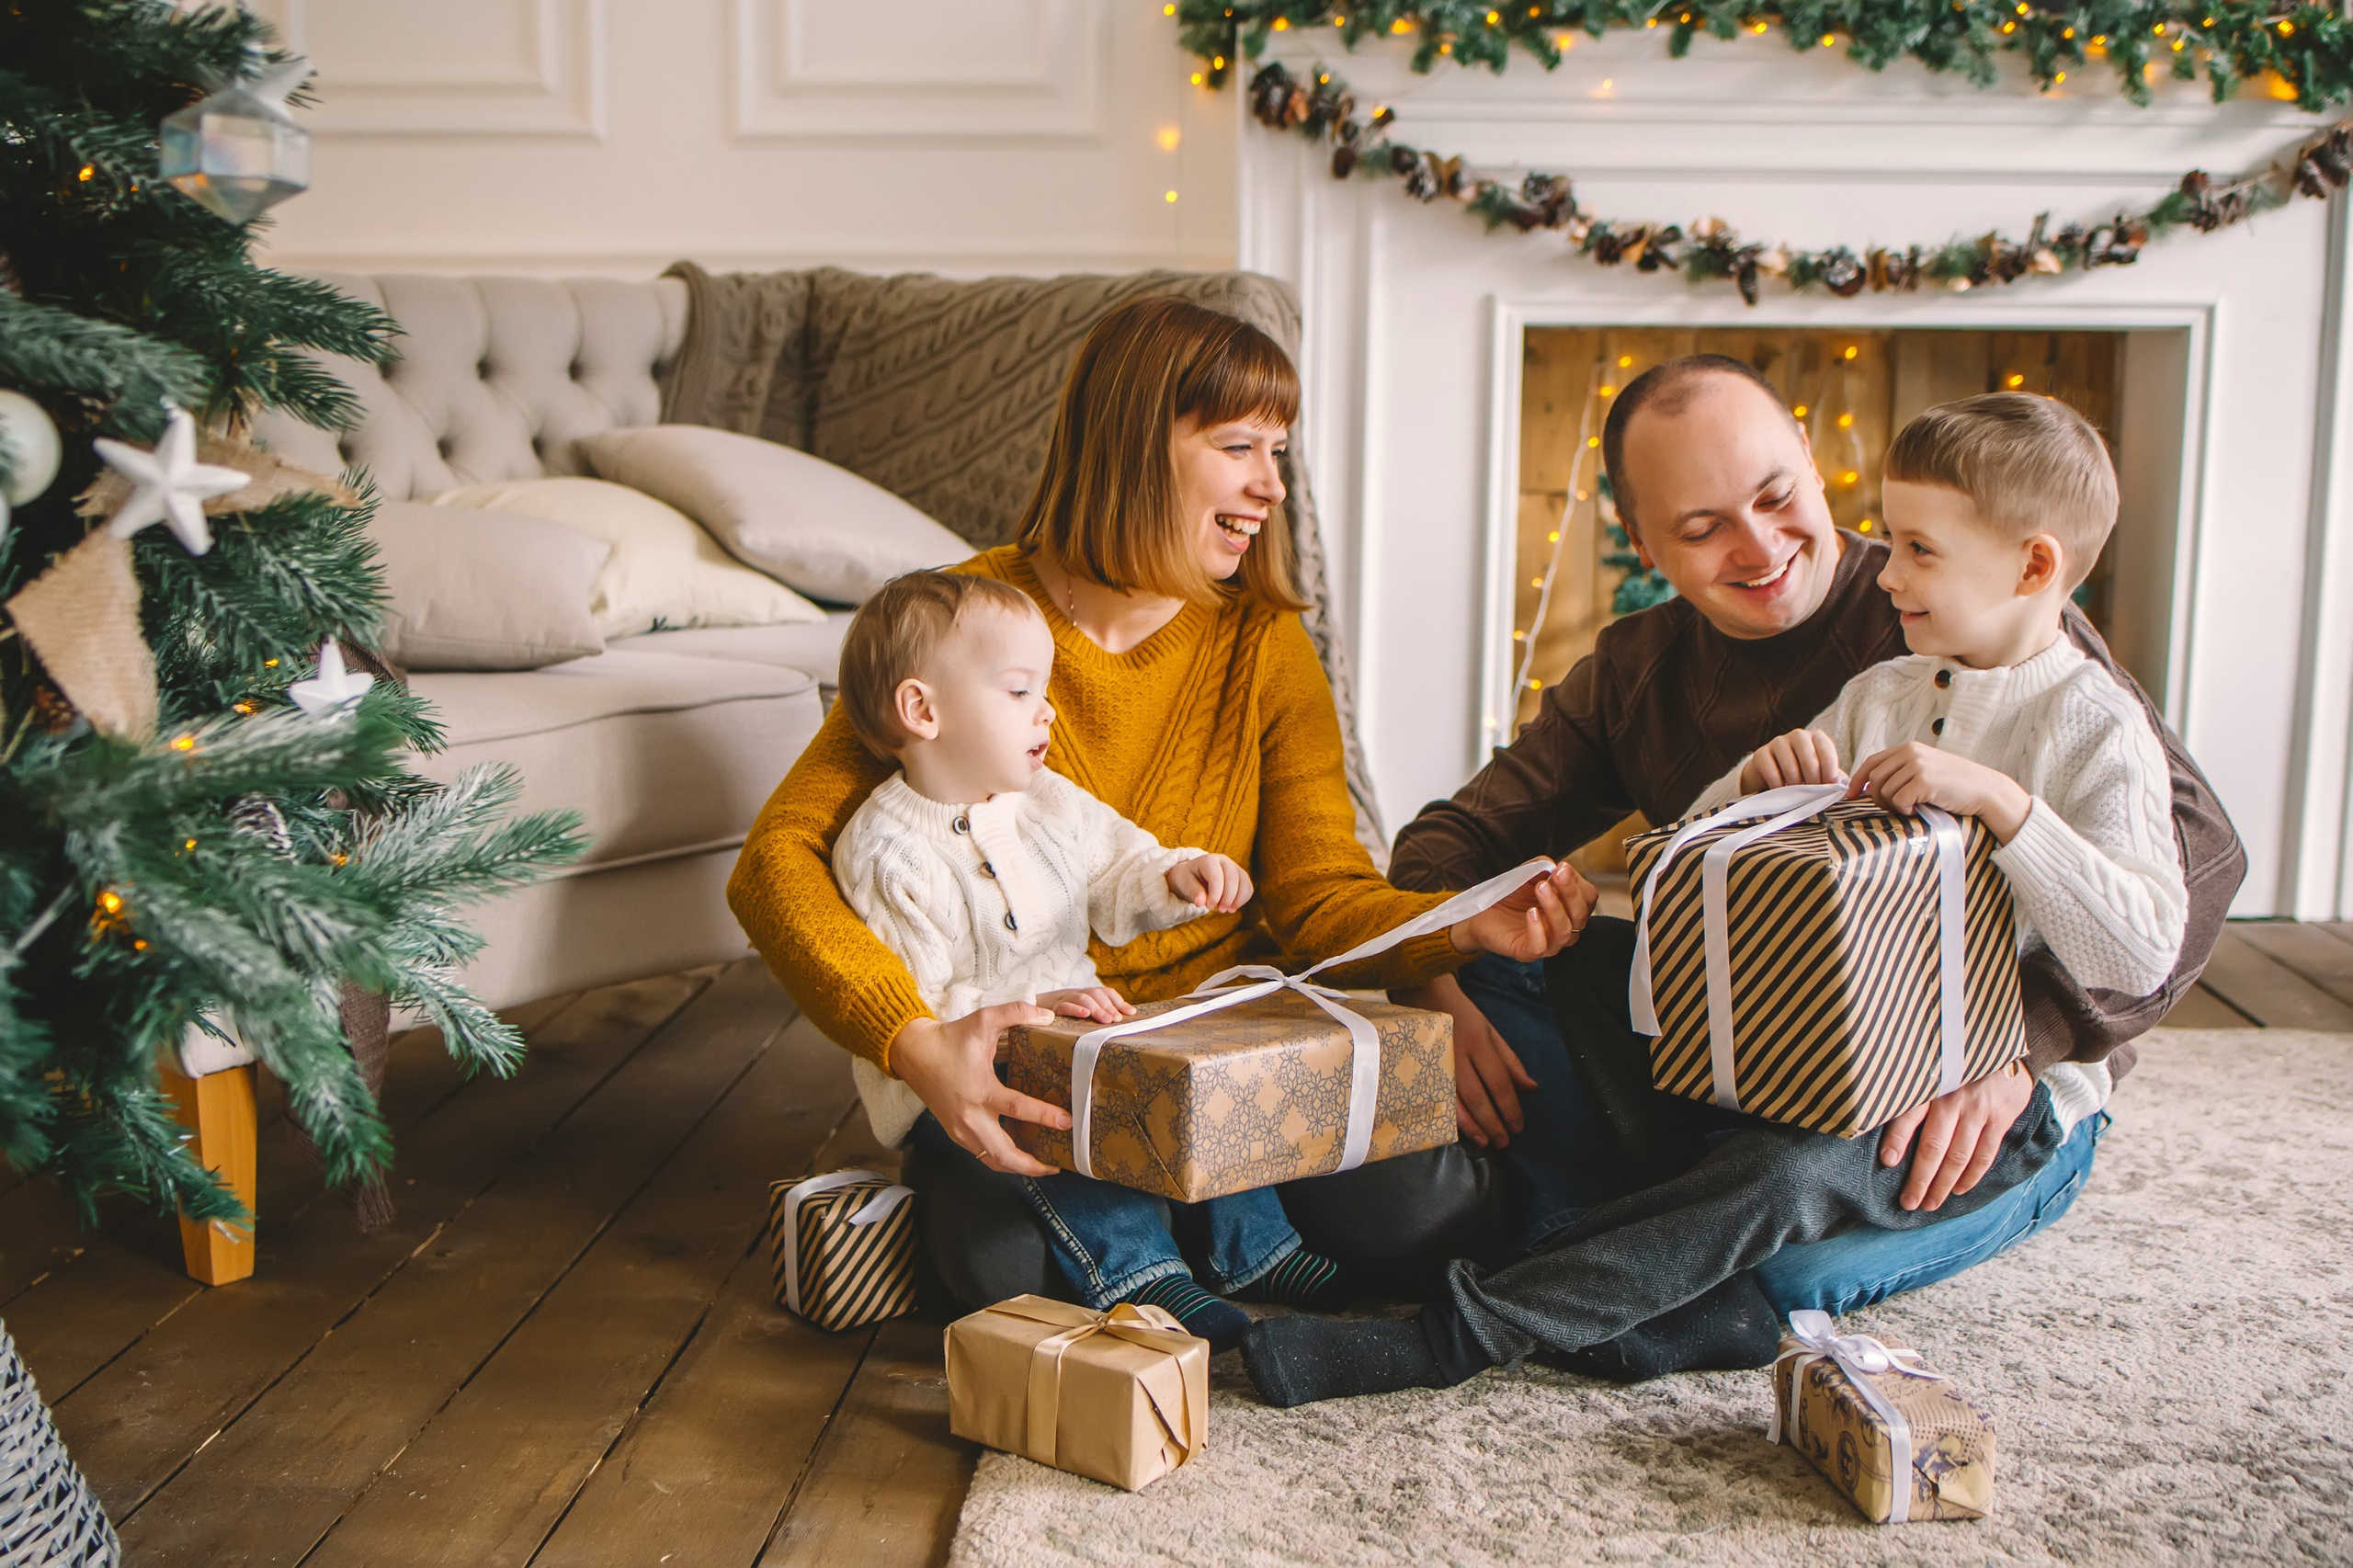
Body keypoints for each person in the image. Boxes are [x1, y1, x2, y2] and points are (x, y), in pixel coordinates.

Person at [1240, 357, 2243, 1407]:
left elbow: (2190, 870)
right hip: (1760, 1059)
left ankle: (1589, 1266)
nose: (1758, 547)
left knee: (1787, 1261)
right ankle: (1643, 1238)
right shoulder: (1790, 676)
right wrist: (1436, 978)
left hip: (1955, 1093)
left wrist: (2011, 1045)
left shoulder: (1984, 615)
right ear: (1643, 541)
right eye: (1703, 525)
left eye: (1776, 497)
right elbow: (1455, 843)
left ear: (1814, 469)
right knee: (1513, 972)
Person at [729, 296, 1597, 1315]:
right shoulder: (958, 627)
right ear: (1138, 445)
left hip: (1218, 1039)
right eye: (1239, 446)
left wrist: (1457, 928)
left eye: (1278, 449)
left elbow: (1321, 894)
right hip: (1041, 1049)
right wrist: (914, 1043)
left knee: (1422, 1222)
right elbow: (775, 862)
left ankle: (1183, 1234)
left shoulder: (1265, 646)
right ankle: (1124, 1229)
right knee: (999, 1278)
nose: (1271, 485)